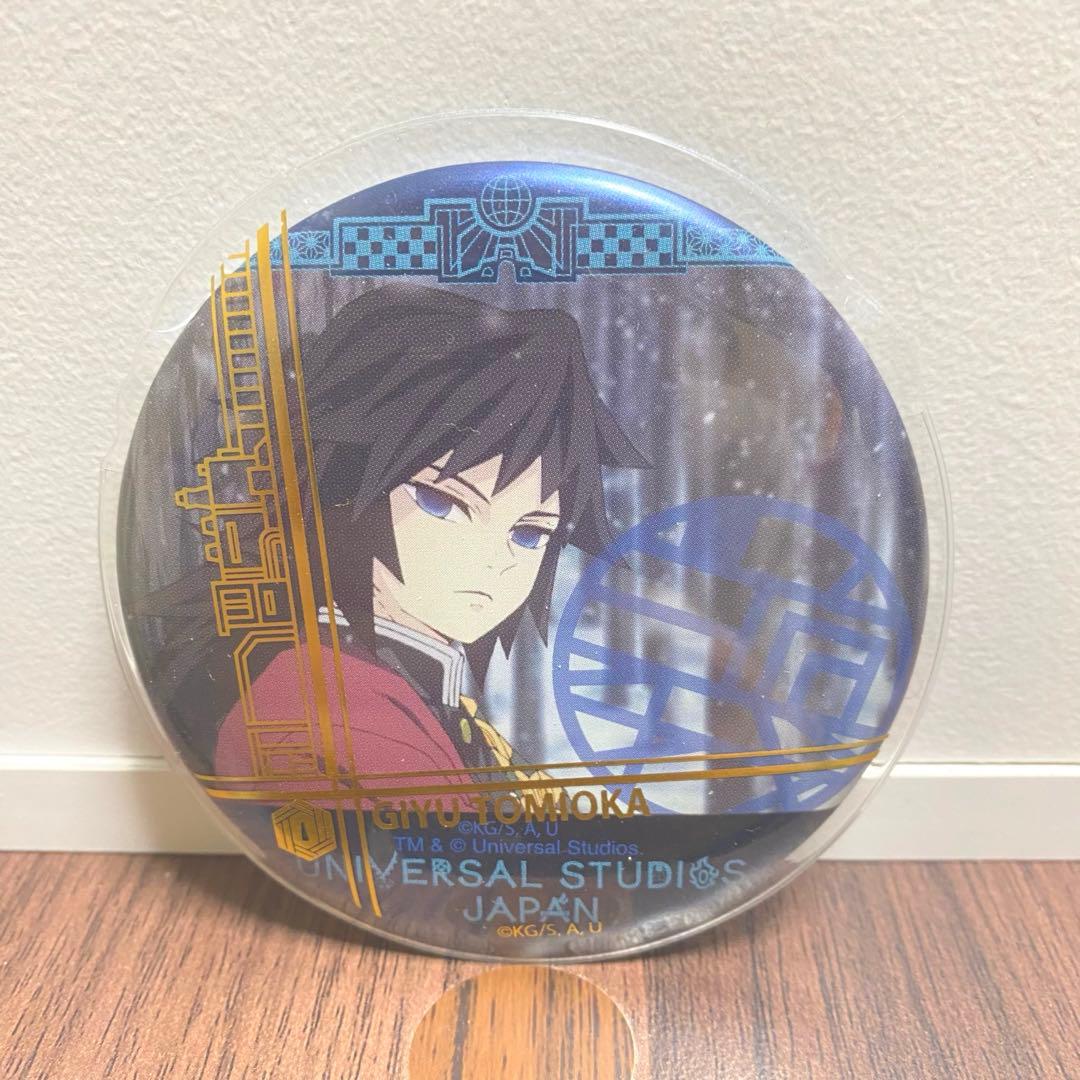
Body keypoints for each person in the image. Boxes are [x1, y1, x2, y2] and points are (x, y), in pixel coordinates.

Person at [211, 285, 647, 800]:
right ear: (341, 487)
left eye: (528, 532)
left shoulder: (421, 697)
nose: (494, 560)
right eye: (442, 504)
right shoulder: (331, 713)